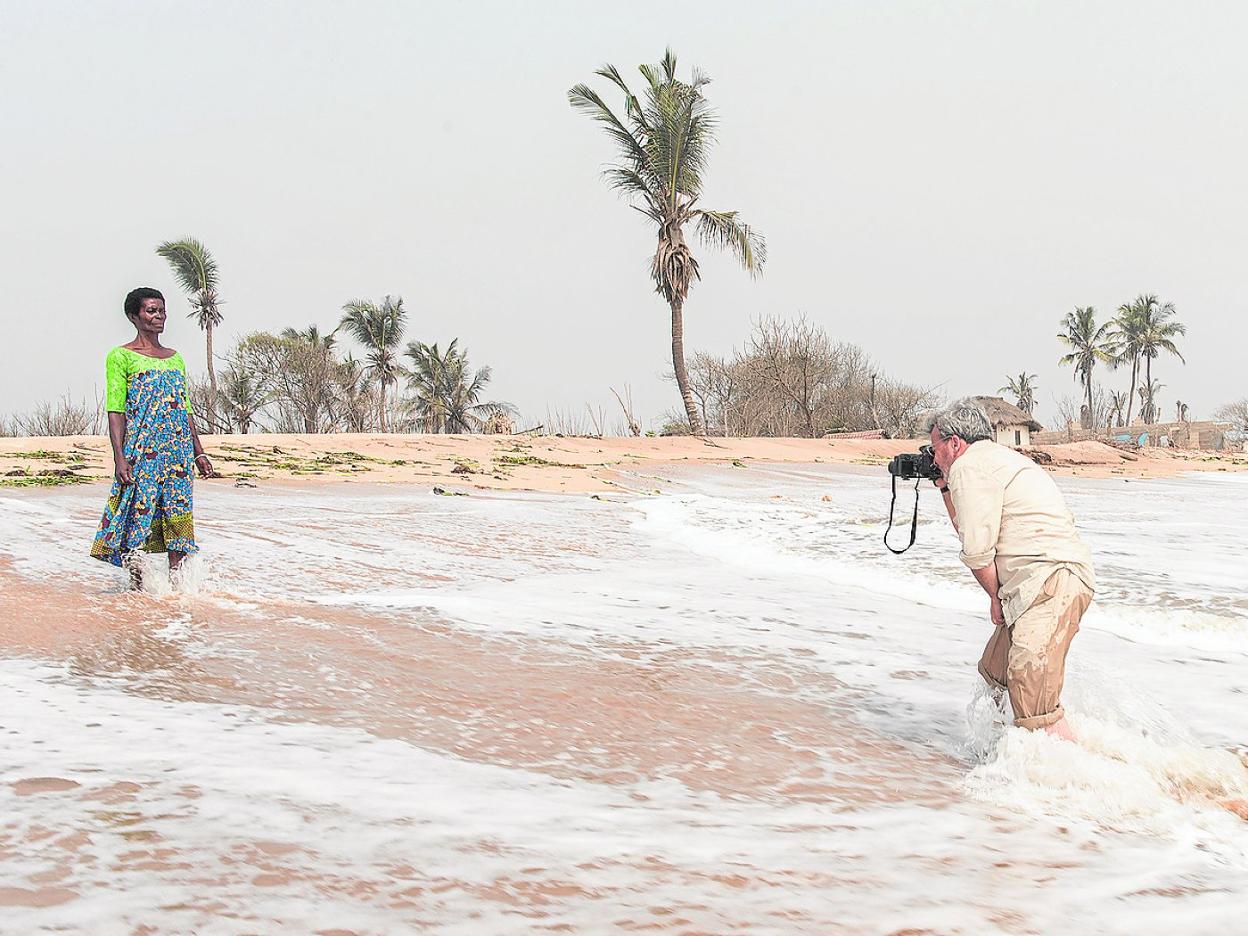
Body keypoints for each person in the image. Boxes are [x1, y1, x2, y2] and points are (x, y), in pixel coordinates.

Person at [927, 398, 1095, 740]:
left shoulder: (968, 466)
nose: (933, 457)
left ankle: (1078, 777)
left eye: (935, 449)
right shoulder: (998, 460)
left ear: (954, 443)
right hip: (1047, 581)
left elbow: (976, 550)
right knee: (996, 671)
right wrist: (944, 487)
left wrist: (994, 597)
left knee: (1034, 703)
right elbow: (971, 529)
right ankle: (1008, 758)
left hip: (1049, 580)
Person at [90, 287, 214, 585]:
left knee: (178, 516)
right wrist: (119, 457)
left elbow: (185, 409)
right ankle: (137, 587)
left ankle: (178, 591)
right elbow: (116, 410)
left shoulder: (175, 359)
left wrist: (199, 452)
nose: (159, 317)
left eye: (162, 311)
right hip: (142, 452)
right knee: (137, 516)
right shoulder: (121, 357)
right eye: (151, 311)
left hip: (178, 453)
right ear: (134, 316)